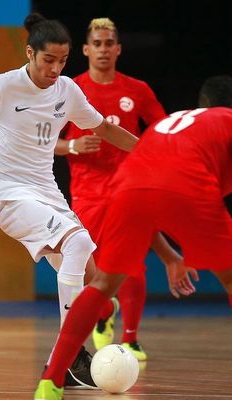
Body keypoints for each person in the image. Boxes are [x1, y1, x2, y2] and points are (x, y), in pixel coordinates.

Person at [0, 12, 187, 391]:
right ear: (30, 53)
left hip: (48, 195)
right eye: (48, 60)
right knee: (77, 243)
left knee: (95, 281)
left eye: (62, 62)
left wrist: (152, 154)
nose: (55, 69)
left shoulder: (67, 91)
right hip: (11, 197)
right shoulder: (1, 87)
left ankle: (81, 339)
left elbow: (107, 128)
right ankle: (69, 356)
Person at [34, 75, 232, 400]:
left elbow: (150, 191)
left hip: (127, 187)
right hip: (189, 187)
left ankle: (51, 382)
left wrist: (170, 255)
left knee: (102, 284)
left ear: (203, 106)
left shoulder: (173, 122)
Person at [54, 17, 167, 360]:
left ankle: (131, 337)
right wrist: (72, 147)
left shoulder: (138, 90)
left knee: (132, 264)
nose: (103, 50)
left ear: (118, 49)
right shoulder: (70, 88)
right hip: (86, 193)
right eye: (97, 44)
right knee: (94, 268)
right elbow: (42, 138)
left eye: (109, 44)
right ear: (86, 49)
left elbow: (160, 133)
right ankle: (104, 315)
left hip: (128, 190)